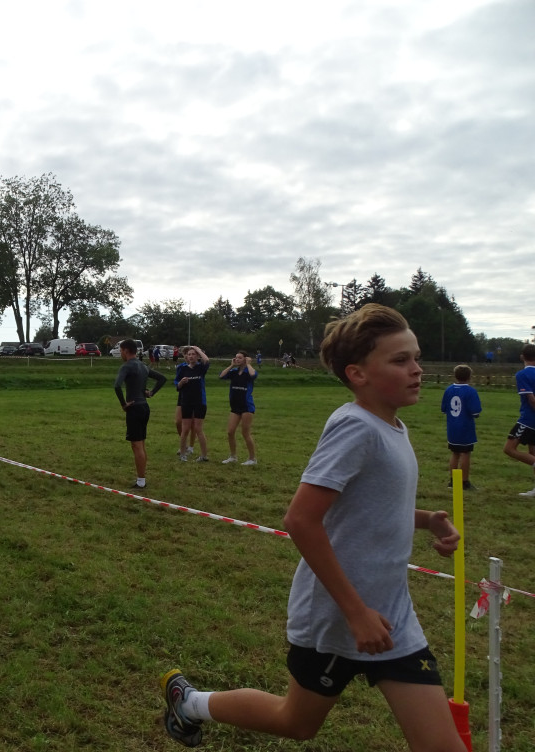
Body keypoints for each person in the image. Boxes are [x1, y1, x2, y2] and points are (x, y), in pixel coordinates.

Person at [160, 304, 464, 751]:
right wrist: (355, 612)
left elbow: (369, 507)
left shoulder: (391, 427)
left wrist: (425, 521)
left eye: (415, 357)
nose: (417, 370)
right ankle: (190, 704)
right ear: (357, 374)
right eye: (401, 361)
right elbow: (300, 519)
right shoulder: (355, 427)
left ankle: (189, 703)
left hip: (393, 616)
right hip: (338, 617)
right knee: (296, 721)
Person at [114, 338, 167, 489]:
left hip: (134, 408)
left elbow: (117, 386)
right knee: (141, 444)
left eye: (120, 351)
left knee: (137, 446)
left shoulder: (127, 366)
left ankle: (141, 481)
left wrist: (123, 404)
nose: (120, 354)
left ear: (125, 350)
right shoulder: (143, 366)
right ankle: (141, 478)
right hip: (144, 407)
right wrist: (151, 393)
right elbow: (162, 378)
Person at [440, 364, 481, 491]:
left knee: (455, 453)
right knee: (466, 454)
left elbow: (444, 409)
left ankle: (452, 481)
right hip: (465, 428)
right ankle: (464, 482)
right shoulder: (471, 391)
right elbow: (475, 412)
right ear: (469, 377)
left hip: (452, 428)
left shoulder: (448, 390)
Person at [504, 343, 535, 497]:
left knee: (509, 448)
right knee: (532, 451)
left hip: (529, 419)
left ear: (522, 356)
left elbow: (531, 399)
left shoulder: (522, 375)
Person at [219, 350, 257, 465]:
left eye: (240, 358)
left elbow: (253, 375)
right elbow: (221, 376)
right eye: (236, 357)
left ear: (245, 359)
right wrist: (231, 365)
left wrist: (249, 364)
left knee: (245, 433)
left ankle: (252, 459)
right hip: (235, 406)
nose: (237, 359)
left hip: (246, 406)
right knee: (230, 432)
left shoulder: (248, 371)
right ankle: (233, 456)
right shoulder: (234, 372)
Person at [175, 346, 210, 462]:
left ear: (197, 356)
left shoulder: (201, 368)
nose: (191, 356)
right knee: (185, 429)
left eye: (193, 354)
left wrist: (198, 349)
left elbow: (207, 360)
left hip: (199, 402)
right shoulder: (182, 369)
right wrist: (181, 382)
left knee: (198, 429)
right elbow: (177, 386)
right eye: (189, 354)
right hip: (186, 402)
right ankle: (183, 454)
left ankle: (204, 456)